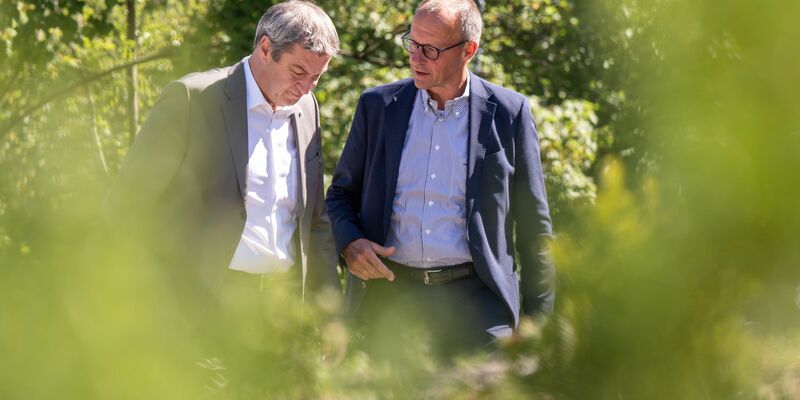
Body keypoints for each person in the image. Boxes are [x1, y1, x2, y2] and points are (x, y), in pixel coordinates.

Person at [325, 0, 555, 357]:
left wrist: (539, 326)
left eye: (430, 49)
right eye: (412, 44)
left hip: (479, 304)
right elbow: (340, 194)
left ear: (469, 50)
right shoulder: (377, 106)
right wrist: (349, 243)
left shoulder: (510, 113)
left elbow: (534, 228)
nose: (416, 58)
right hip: (390, 298)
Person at [105, 0, 340, 331]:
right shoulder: (192, 99)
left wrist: (328, 315)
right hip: (196, 312)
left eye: (316, 77)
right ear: (265, 48)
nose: (305, 88)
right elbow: (126, 210)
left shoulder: (307, 109)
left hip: (284, 312)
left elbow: (315, 221)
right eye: (298, 71)